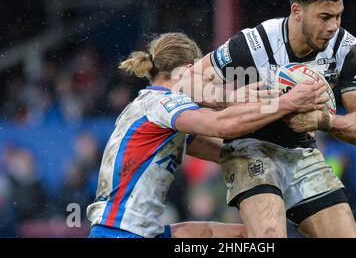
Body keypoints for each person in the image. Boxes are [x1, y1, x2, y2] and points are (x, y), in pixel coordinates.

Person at [187, 0, 356, 237]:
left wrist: (322, 120)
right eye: (324, 17)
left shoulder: (347, 51)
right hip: (251, 148)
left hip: (302, 152)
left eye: (338, 16)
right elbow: (188, 82)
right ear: (297, 12)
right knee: (270, 237)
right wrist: (230, 95)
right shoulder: (254, 44)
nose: (333, 27)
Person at [86, 32, 328, 238]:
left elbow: (227, 153)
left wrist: (284, 153)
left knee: (245, 235)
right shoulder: (163, 103)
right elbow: (222, 125)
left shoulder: (153, 109)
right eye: (205, 75)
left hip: (138, 229)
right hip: (121, 230)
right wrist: (286, 103)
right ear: (189, 70)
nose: (207, 83)